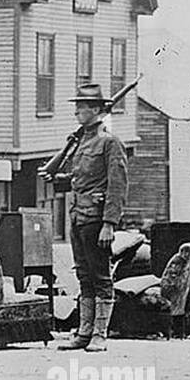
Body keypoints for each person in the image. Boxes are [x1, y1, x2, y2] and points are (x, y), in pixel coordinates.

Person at [55, 83, 128, 352]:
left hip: (97, 218)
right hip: (77, 216)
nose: (77, 111)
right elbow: (80, 178)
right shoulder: (79, 142)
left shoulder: (110, 143)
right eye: (77, 106)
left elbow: (117, 185)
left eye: (83, 106)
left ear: (97, 110)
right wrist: (59, 178)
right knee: (83, 275)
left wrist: (109, 223)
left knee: (100, 275)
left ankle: (100, 334)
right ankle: (84, 332)